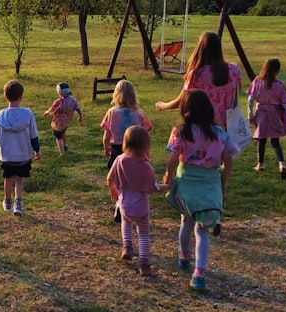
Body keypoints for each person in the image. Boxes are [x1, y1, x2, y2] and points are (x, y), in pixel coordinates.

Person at [155, 31, 241, 234]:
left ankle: (196, 210)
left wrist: (164, 105)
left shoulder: (197, 74)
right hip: (222, 128)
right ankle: (214, 212)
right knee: (216, 173)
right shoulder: (234, 70)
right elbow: (235, 97)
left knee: (198, 169)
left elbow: (183, 99)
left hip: (199, 127)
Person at [162, 89, 239, 291]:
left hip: (187, 181)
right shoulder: (220, 134)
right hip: (210, 182)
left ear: (184, 109)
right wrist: (223, 182)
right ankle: (199, 273)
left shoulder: (181, 131)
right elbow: (229, 162)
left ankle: (184, 254)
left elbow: (172, 158)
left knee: (186, 222)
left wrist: (168, 175)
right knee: (202, 229)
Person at [106, 125, 168, 277]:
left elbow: (110, 178)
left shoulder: (119, 159)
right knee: (144, 234)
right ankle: (143, 262)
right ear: (146, 146)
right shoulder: (146, 167)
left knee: (126, 223)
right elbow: (151, 188)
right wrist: (167, 186)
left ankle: (127, 246)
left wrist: (113, 190)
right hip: (140, 207)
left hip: (124, 204)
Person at [100, 79, 153, 223]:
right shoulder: (140, 114)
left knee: (118, 179)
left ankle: (120, 203)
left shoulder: (112, 113)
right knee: (134, 179)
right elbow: (146, 134)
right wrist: (146, 153)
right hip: (136, 150)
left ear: (116, 94)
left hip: (117, 149)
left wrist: (106, 148)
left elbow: (106, 135)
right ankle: (134, 204)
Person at [0, 79, 41, 216]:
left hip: (7, 156)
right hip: (23, 156)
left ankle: (7, 201)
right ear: (21, 97)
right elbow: (34, 136)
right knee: (19, 179)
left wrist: (3, 146)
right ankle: (18, 204)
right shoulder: (27, 114)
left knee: (8, 178)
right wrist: (37, 150)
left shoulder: (0, 116)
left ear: (5, 96)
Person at [247, 58, 286, 179]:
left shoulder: (257, 82)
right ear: (277, 70)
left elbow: (250, 100)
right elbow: (285, 105)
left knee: (261, 140)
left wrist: (250, 114)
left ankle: (260, 164)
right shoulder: (280, 85)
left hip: (261, 114)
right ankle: (282, 164)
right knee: (275, 141)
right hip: (275, 114)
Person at [43, 82, 83, 156]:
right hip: (67, 121)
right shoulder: (73, 100)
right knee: (63, 132)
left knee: (58, 137)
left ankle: (62, 153)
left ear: (59, 92)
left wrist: (47, 113)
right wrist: (80, 117)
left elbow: (52, 109)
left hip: (59, 123)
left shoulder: (59, 102)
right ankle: (64, 146)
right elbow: (78, 109)